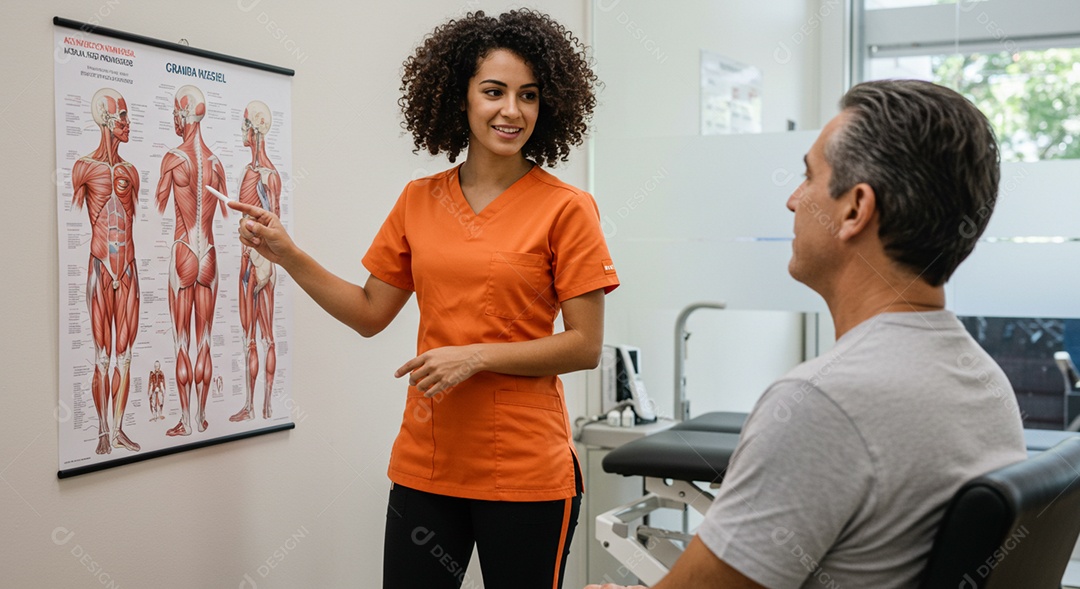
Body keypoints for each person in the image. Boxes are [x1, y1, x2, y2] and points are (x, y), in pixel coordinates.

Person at [228, 9, 618, 589]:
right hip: (427, 463)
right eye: (493, 91)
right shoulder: (418, 200)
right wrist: (287, 254)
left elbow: (584, 346)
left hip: (526, 469)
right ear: (458, 97)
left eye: (528, 95)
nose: (512, 111)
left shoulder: (567, 208)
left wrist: (475, 355)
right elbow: (368, 313)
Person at [586, 80, 1027, 589]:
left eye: (809, 175)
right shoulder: (985, 383)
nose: (794, 201)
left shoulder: (824, 402)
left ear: (855, 210)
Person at [155, 84, 229, 437]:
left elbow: (157, 208)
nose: (173, 117)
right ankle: (201, 417)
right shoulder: (216, 164)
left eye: (175, 111)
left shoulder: (173, 158)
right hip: (210, 254)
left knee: (181, 341)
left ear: (185, 114)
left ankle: (186, 420)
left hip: (184, 249)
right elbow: (227, 213)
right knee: (205, 341)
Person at [71, 87, 141, 455]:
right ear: (105, 119)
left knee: (126, 354)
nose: (128, 124)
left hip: (128, 269)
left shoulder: (131, 171)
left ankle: (118, 429)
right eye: (123, 117)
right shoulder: (84, 168)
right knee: (102, 355)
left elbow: (131, 221)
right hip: (100, 267)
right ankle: (101, 430)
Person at [229, 100, 282, 423]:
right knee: (267, 336)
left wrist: (258, 262)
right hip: (266, 265)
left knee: (253, 337)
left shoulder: (263, 174)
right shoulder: (266, 173)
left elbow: (272, 222)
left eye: (246, 126)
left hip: (253, 262)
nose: (243, 132)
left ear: (255, 130)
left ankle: (255, 407)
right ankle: (264, 407)